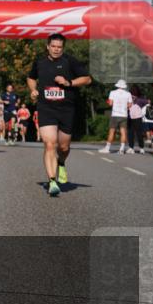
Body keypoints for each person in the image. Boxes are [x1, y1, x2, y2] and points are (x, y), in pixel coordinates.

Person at [27, 33, 92, 196]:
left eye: (59, 47)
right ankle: (52, 181)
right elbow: (30, 78)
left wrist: (68, 82)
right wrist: (33, 90)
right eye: (53, 46)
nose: (56, 50)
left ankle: (61, 162)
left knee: (64, 147)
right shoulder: (40, 62)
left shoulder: (70, 61)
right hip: (46, 108)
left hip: (66, 109)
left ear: (63, 48)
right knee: (50, 144)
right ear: (47, 46)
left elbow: (87, 79)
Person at [101, 79, 133, 154]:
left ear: (117, 85)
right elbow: (130, 104)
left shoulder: (112, 92)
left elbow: (110, 104)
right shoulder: (128, 94)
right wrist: (125, 107)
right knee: (123, 132)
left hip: (115, 114)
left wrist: (109, 102)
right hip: (124, 115)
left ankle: (107, 148)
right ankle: (121, 149)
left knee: (112, 131)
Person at [128, 87, 148, 154]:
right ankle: (140, 148)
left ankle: (133, 148)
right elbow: (147, 101)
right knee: (136, 133)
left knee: (133, 133)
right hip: (135, 118)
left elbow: (146, 102)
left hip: (134, 118)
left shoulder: (137, 99)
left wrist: (135, 100)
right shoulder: (138, 99)